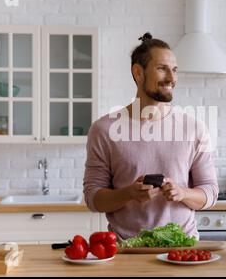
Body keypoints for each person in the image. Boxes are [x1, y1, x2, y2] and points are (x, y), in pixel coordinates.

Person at [83, 32, 218, 240]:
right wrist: (129, 193)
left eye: (174, 70)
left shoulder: (194, 128)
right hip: (126, 252)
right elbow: (93, 199)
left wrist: (183, 193)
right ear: (138, 72)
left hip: (182, 250)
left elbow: (210, 193)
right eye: (162, 69)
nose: (172, 79)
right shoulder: (103, 129)